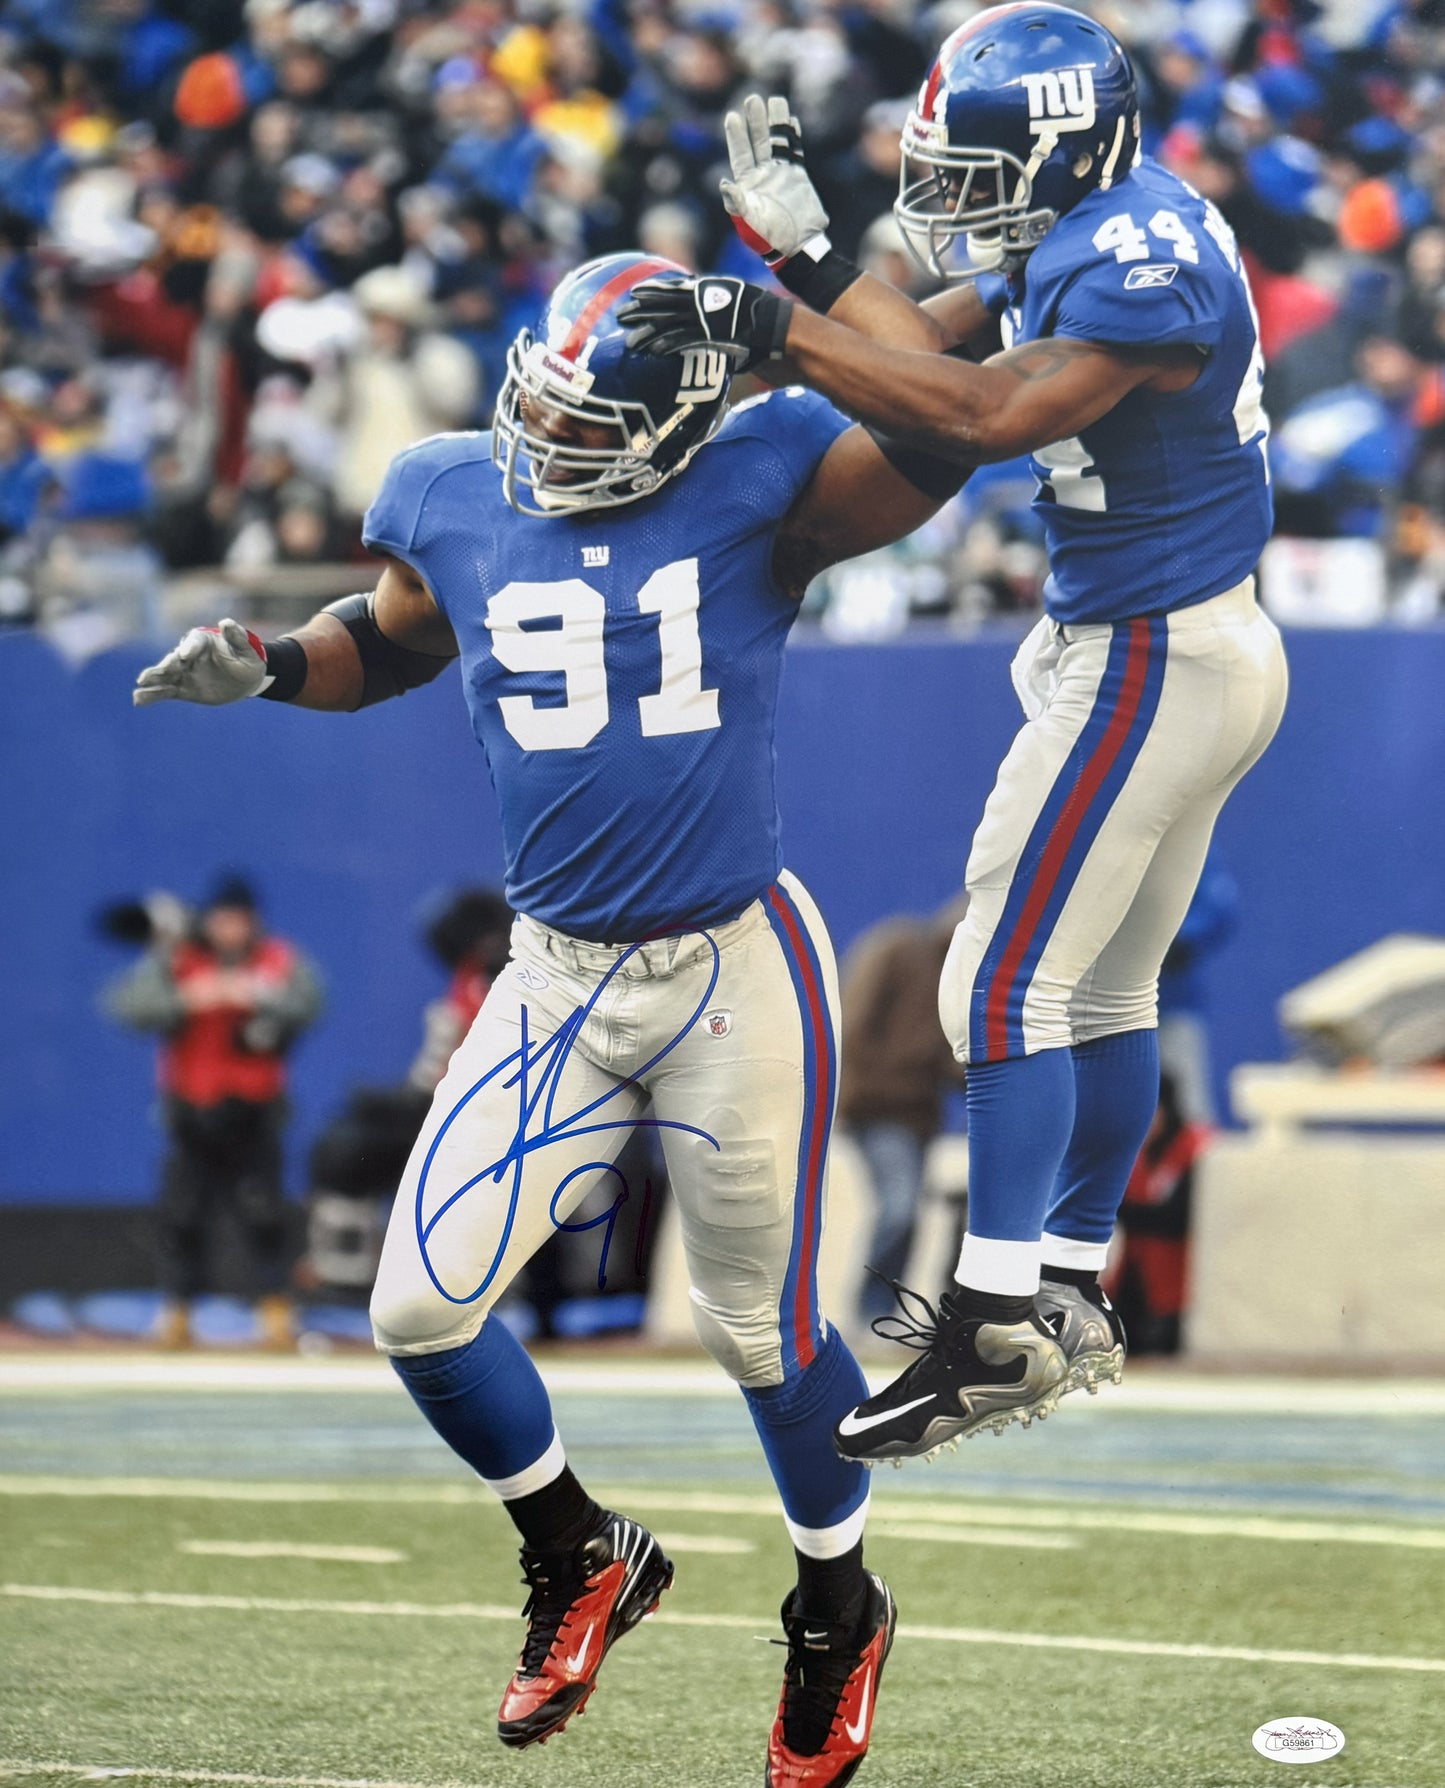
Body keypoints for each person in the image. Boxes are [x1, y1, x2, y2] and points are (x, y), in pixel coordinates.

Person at [131, 250, 966, 1788]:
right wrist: (266, 669)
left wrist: (868, 288)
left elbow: (938, 422)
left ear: (677, 422)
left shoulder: (763, 468)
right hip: (557, 972)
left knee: (757, 1331)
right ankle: (583, 1553)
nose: (551, 440)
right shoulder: (453, 487)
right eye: (544, 403)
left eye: (594, 424)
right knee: (414, 1312)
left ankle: (837, 1607)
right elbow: (386, 641)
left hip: (731, 962)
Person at [620, 4, 1289, 1465]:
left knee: (992, 990)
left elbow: (977, 420)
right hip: (1174, 639)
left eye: (980, 168)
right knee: (1099, 993)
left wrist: (781, 328)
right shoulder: (1098, 222)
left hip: (1150, 652)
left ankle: (990, 1330)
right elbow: (914, 355)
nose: (953, 197)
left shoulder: (1138, 262)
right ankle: (1064, 1288)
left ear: (1069, 147)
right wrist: (800, 274)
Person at [103, 874, 323, 1349]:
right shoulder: (179, 961)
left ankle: (276, 1313)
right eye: (221, 919)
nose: (229, 929)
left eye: (238, 919)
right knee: (181, 1214)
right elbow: (127, 1005)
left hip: (254, 1111)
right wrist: (187, 996)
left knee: (264, 1213)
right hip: (190, 1113)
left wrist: (255, 994)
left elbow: (310, 1002)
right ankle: (177, 1313)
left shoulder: (278, 960)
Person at [835, 900, 963, 1326]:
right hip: (877, 1108)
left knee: (908, 1216)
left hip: (916, 1119)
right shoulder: (897, 949)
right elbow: (852, 1022)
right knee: (900, 1208)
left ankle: (883, 1316)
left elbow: (950, 1062)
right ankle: (869, 1313)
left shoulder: (959, 983)